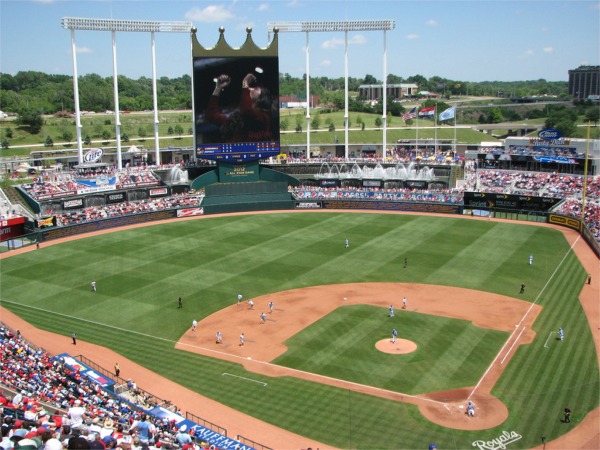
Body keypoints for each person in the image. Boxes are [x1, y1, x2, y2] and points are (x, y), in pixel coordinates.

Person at [204, 72, 275, 143]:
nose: (249, 88)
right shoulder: (236, 119)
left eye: (255, 89)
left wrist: (245, 83)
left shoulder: (264, 117)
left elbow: (246, 111)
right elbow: (210, 115)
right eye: (250, 87)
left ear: (262, 98)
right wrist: (218, 88)